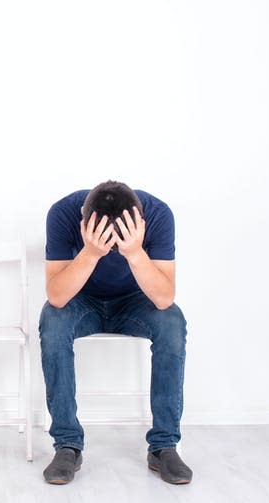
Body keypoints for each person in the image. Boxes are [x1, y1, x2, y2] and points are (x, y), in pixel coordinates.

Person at [39, 180, 193, 485]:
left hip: (135, 301)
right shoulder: (63, 213)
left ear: (139, 222)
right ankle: (68, 445)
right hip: (81, 299)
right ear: (84, 220)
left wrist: (134, 252)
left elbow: (163, 298)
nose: (111, 245)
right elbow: (57, 296)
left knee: (173, 322)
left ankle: (164, 446)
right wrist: (91, 253)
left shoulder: (159, 214)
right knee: (53, 321)